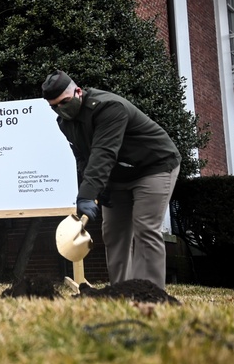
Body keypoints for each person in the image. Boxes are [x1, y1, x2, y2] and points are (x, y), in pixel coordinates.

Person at [42, 70, 181, 290]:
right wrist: (98, 188)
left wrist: (87, 195)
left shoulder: (108, 107)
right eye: (54, 106)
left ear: (78, 92)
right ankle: (121, 291)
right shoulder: (65, 121)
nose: (61, 109)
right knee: (114, 232)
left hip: (153, 166)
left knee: (145, 227)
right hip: (117, 175)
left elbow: (103, 153)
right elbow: (83, 157)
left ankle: (150, 292)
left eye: (65, 102)